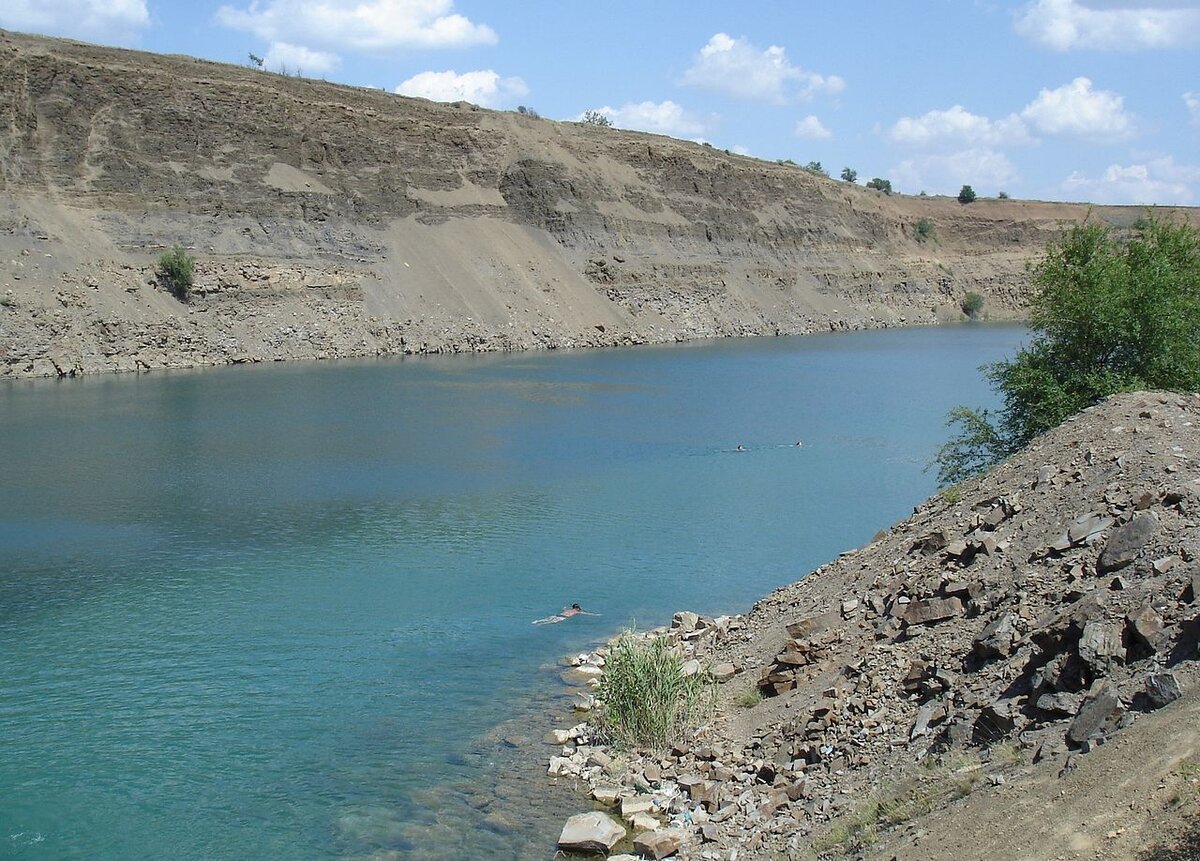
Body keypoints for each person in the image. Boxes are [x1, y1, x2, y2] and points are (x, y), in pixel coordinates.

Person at [533, 603, 599, 625]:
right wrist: (596, 615)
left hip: (557, 615)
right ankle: (540, 624)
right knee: (552, 622)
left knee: (547, 619)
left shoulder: (568, 609)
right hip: (562, 617)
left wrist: (564, 608)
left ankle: (537, 621)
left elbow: (563, 609)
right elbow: (587, 613)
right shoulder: (577, 611)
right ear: (577, 608)